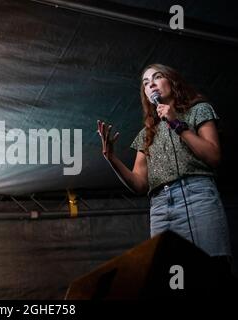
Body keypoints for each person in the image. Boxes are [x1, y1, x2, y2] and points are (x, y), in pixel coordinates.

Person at [97, 63, 232, 264]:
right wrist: (111, 158)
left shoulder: (199, 110)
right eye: (146, 83)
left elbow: (213, 156)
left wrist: (176, 123)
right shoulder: (146, 134)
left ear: (172, 81)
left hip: (197, 197)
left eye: (157, 77)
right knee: (168, 276)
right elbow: (139, 184)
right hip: (160, 207)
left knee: (211, 269)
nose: (151, 84)